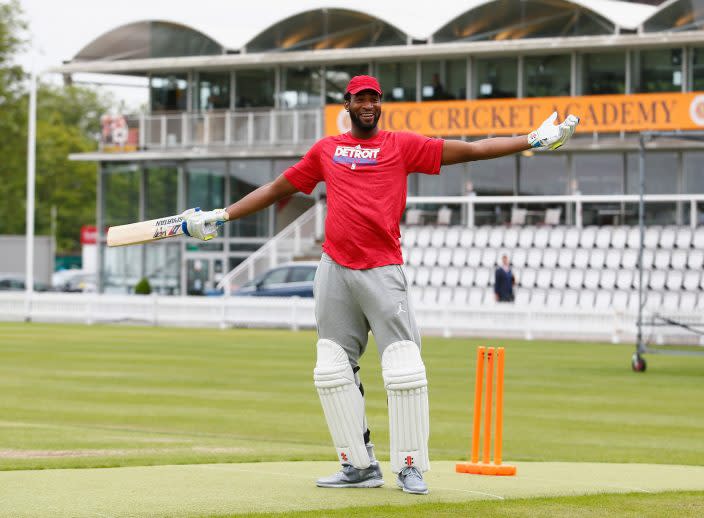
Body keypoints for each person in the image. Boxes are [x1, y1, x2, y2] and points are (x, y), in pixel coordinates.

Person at [180, 75, 579, 495]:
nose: (368, 105)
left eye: (374, 98)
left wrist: (533, 139)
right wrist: (221, 216)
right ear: (347, 104)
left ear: (380, 104)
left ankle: (410, 467)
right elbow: (277, 188)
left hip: (382, 269)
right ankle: (357, 465)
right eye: (360, 99)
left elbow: (474, 149)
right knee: (331, 369)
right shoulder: (325, 150)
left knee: (404, 369)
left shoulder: (401, 145)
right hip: (333, 267)